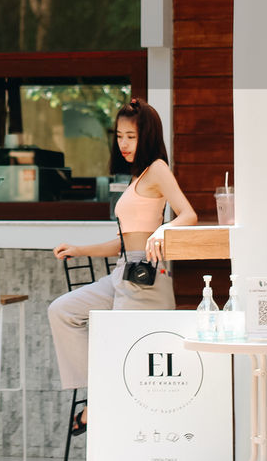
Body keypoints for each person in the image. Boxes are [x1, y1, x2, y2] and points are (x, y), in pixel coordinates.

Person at [46, 97, 197, 435]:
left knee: (124, 349)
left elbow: (188, 214)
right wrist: (79, 248)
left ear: (148, 136)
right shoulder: (137, 175)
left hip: (145, 275)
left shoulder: (157, 168)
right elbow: (125, 241)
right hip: (123, 270)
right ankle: (100, 394)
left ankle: (102, 403)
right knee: (62, 310)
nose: (124, 144)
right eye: (119, 136)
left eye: (132, 136)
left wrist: (162, 230)